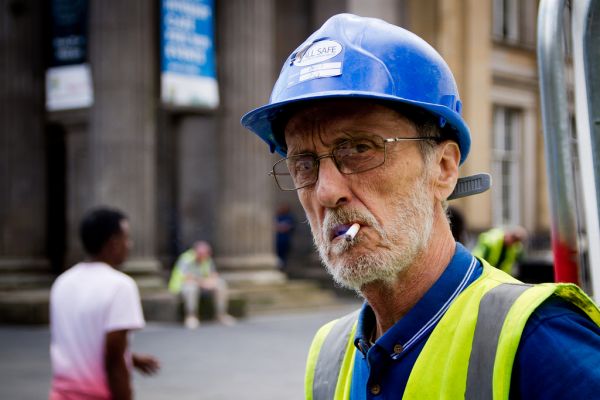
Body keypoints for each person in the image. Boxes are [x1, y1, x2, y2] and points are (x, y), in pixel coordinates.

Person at [241, 13, 600, 399]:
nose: (327, 192)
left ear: (444, 169)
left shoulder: (541, 340)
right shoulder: (329, 355)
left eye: (360, 149)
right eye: (304, 164)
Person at [49, 207, 159, 400]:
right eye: (127, 238)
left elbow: (81, 340)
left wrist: (132, 359)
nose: (130, 245)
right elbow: (113, 360)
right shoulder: (120, 286)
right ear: (113, 243)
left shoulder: (62, 283)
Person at [168, 241, 236, 329]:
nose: (203, 256)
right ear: (195, 252)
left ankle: (221, 315)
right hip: (181, 287)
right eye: (201, 254)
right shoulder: (186, 259)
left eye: (205, 254)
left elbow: (214, 274)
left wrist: (211, 281)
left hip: (202, 285)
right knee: (191, 288)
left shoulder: (207, 259)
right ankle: (191, 316)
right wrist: (202, 282)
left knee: (221, 284)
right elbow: (186, 277)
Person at [275, 202, 296, 269]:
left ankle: (282, 267)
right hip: (277, 241)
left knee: (284, 256)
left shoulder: (289, 217)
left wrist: (281, 227)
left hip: (285, 240)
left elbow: (290, 227)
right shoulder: (278, 217)